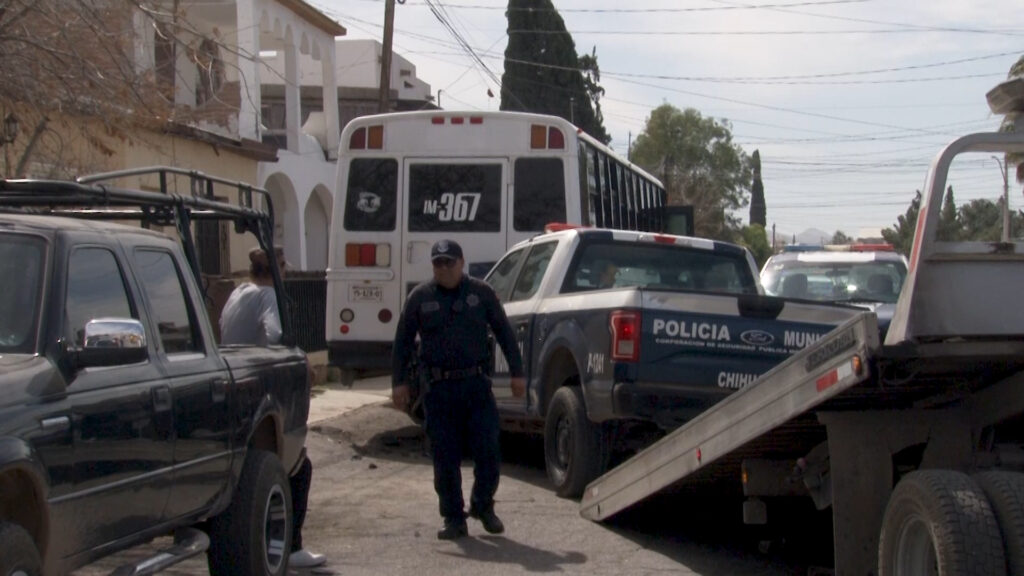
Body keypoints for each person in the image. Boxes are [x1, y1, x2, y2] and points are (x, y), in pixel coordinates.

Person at [392, 239, 526, 540]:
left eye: (449, 262)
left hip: (476, 386)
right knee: (445, 457)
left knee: (489, 450)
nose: (443, 268)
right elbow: (402, 342)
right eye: (438, 263)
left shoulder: (481, 293)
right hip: (439, 389)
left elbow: (504, 332)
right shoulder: (420, 297)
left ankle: (483, 505)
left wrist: (517, 374)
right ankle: (453, 517)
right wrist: (398, 383)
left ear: (461, 262)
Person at [219, 246, 326, 569]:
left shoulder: (238, 293)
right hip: (260, 387)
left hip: (233, 382)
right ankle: (290, 547)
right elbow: (277, 336)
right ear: (276, 269)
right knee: (296, 468)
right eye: (283, 267)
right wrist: (301, 360)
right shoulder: (268, 296)